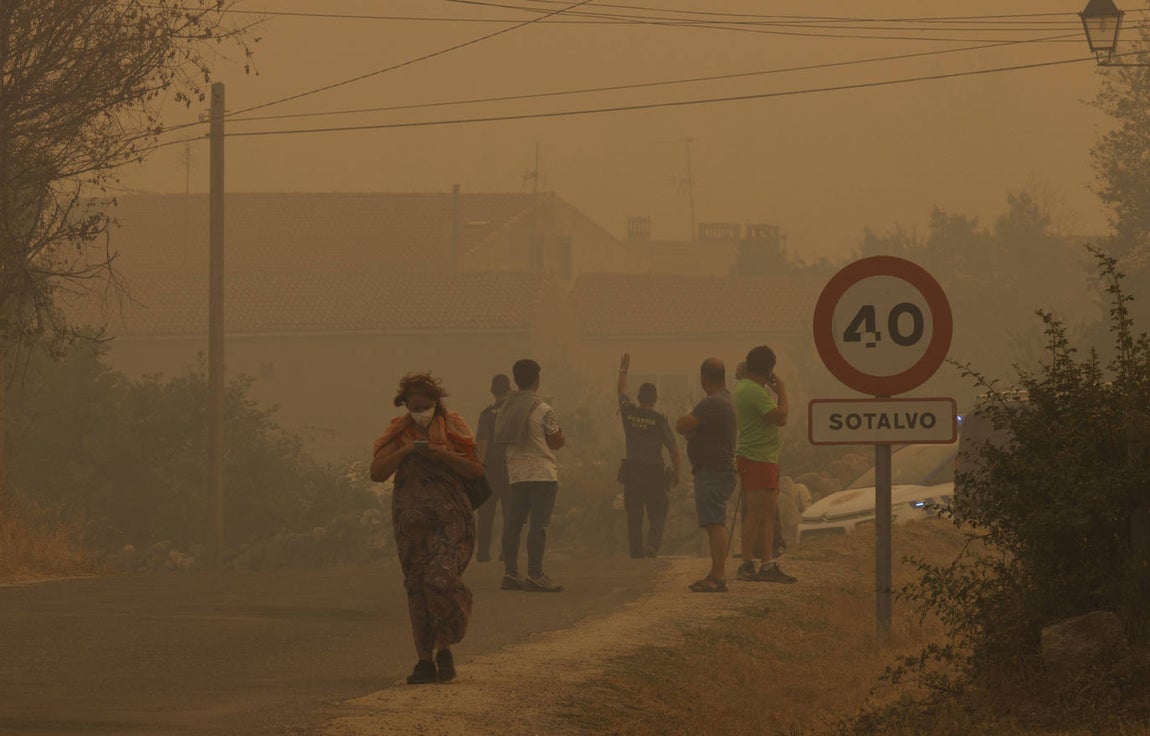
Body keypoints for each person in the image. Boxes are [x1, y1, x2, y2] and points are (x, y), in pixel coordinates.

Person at [370, 373, 484, 685]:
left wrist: (441, 453)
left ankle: (454, 624)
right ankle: (428, 659)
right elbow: (377, 472)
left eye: (426, 401)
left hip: (451, 521)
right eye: (414, 402)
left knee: (440, 579)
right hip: (411, 526)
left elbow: (475, 469)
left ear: (436, 402)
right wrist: (407, 451)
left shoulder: (453, 427)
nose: (420, 407)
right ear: (405, 404)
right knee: (418, 588)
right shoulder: (399, 433)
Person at [495, 359, 566, 593]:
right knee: (538, 525)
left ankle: (510, 573)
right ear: (537, 379)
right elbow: (555, 440)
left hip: (516, 473)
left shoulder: (505, 407)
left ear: (516, 380)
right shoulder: (543, 408)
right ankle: (535, 575)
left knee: (513, 524)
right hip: (542, 475)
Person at [733, 345, 796, 583]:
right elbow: (780, 418)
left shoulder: (747, 387)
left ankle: (761, 562)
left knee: (762, 513)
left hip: (759, 457)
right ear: (768, 369)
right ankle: (754, 564)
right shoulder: (754, 391)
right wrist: (782, 392)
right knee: (760, 514)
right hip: (758, 457)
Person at [676, 358, 737, 593]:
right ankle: (715, 572)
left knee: (715, 523)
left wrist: (691, 429)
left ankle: (719, 575)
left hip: (712, 471)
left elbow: (682, 425)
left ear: (704, 378)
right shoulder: (725, 400)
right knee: (714, 521)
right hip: (717, 469)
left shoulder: (712, 403)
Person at [616, 353, 681, 559]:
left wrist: (623, 370)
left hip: (632, 472)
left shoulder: (629, 413)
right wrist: (677, 473)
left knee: (634, 514)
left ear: (639, 398)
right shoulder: (659, 419)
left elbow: (621, 391)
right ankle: (652, 545)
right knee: (659, 512)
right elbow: (673, 448)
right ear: (655, 400)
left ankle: (636, 553)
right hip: (654, 473)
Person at [474, 374, 513, 563]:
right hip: (511, 466)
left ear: (492, 391)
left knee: (486, 512)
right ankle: (506, 553)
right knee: (509, 511)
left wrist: (480, 465)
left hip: (491, 468)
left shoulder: (486, 414)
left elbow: (483, 441)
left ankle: (482, 554)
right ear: (509, 389)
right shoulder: (515, 412)